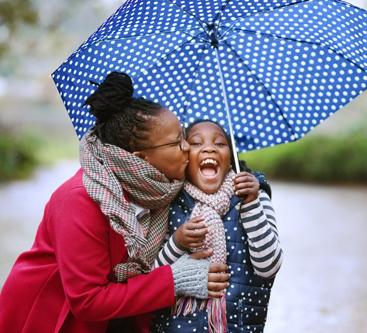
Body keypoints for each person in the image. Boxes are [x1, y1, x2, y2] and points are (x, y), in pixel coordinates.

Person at [0, 72, 230, 333]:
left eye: (184, 136)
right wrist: (175, 279)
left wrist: (253, 183)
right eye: (178, 141)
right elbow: (88, 300)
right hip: (51, 318)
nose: (188, 148)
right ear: (141, 159)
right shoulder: (78, 201)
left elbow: (219, 181)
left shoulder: (162, 189)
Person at [150, 120, 283, 333]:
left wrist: (251, 204)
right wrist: (177, 243)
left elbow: (269, 267)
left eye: (220, 143)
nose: (209, 147)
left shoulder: (255, 198)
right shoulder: (169, 202)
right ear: (185, 158)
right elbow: (152, 279)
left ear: (230, 160)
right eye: (196, 143)